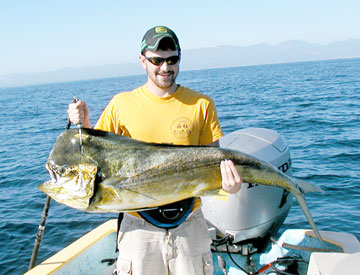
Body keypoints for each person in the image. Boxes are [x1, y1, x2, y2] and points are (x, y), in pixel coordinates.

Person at [68, 25, 242, 275]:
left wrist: (230, 186)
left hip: (189, 227)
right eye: (157, 60)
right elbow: (93, 158)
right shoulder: (121, 105)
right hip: (139, 230)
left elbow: (212, 165)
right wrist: (83, 123)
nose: (165, 67)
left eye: (172, 59)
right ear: (142, 60)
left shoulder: (201, 104)